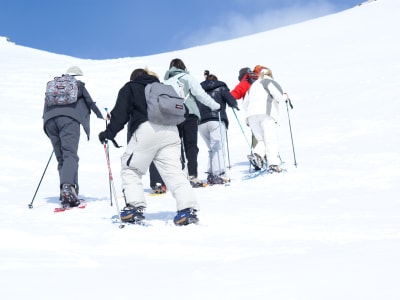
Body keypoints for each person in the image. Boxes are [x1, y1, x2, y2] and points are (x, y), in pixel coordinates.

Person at [98, 68, 199, 226]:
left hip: (147, 129)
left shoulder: (131, 87)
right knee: (175, 174)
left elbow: (120, 113)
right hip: (171, 132)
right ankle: (188, 210)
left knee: (131, 168)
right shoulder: (164, 89)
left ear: (133, 78)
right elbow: (183, 112)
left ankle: (134, 207)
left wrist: (108, 133)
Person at [43, 66, 104, 207]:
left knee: (61, 157)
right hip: (69, 120)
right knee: (70, 154)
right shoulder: (79, 83)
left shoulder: (55, 85)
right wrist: (102, 116)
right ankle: (68, 187)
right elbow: (91, 100)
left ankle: (67, 191)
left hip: (50, 121)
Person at [164, 58, 220, 187]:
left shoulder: (166, 82)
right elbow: (201, 95)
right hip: (189, 115)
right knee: (191, 146)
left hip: (172, 117)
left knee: (176, 146)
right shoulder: (187, 78)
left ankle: (179, 176)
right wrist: (215, 106)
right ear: (183, 67)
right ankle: (193, 176)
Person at [242, 67, 285, 173]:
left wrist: (253, 110)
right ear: (270, 74)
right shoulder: (269, 81)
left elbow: (245, 104)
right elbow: (279, 96)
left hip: (251, 116)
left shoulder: (252, 86)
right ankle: (273, 164)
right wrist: (285, 97)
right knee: (271, 139)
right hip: (266, 113)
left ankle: (257, 155)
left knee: (261, 139)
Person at [199, 71, 238, 185]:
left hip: (201, 123)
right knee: (217, 147)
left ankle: (211, 173)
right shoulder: (221, 87)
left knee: (212, 148)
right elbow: (231, 101)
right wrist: (234, 105)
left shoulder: (199, 89)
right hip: (217, 119)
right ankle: (219, 174)